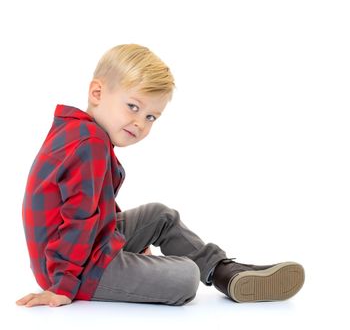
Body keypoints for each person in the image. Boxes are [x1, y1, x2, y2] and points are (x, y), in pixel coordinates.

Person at [16, 44, 304, 308]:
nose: (140, 123)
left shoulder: (82, 132)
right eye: (133, 107)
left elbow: (97, 207)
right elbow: (80, 217)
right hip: (75, 268)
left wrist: (130, 242)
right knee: (185, 277)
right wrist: (64, 285)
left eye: (151, 117)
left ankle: (224, 271)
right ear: (97, 93)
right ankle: (206, 271)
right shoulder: (89, 144)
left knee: (160, 215)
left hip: (83, 250)